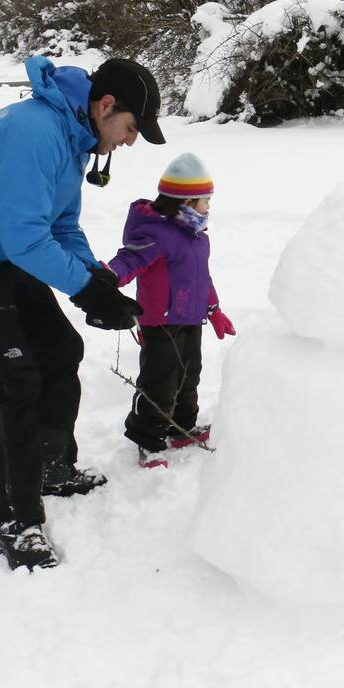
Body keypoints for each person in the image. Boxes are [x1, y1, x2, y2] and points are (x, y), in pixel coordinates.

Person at [0, 56, 165, 571]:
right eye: (131, 127)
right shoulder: (33, 131)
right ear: (106, 105)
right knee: (12, 381)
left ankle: (51, 467)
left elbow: (59, 226)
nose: (131, 141)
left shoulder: (70, 140)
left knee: (60, 350)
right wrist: (86, 291)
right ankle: (18, 524)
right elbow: (26, 237)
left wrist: (96, 275)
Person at [105, 153, 236, 469]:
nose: (208, 207)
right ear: (187, 203)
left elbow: (201, 278)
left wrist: (214, 309)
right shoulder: (156, 233)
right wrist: (107, 277)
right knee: (159, 381)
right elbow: (130, 260)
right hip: (160, 321)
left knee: (189, 375)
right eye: (205, 201)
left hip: (190, 318)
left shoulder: (197, 237)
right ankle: (147, 440)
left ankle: (181, 427)